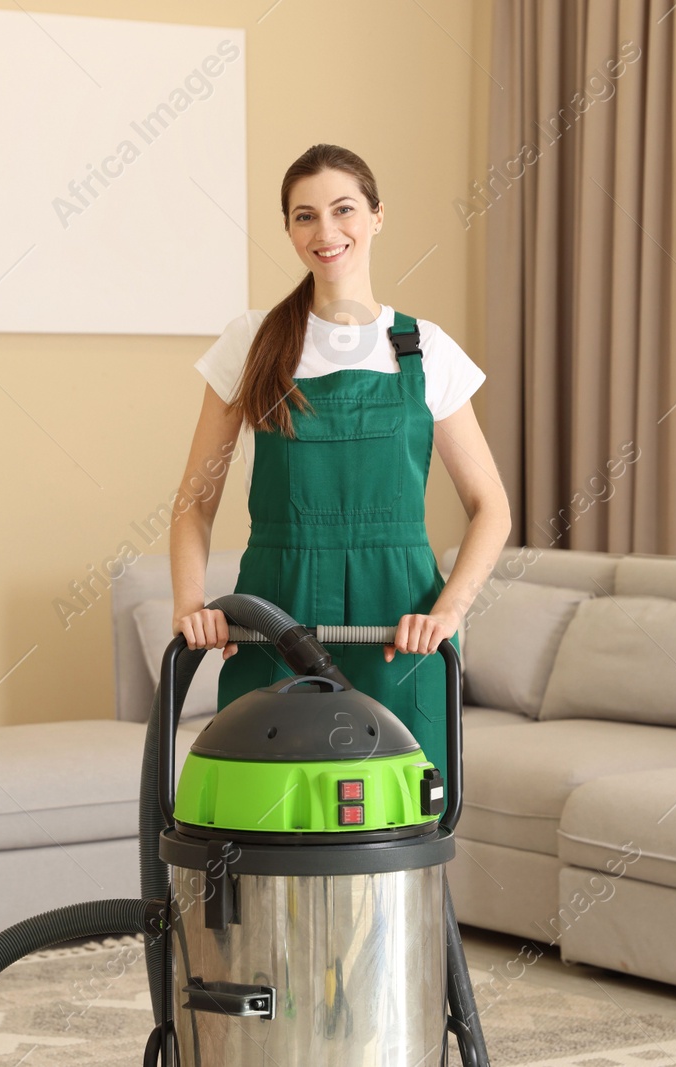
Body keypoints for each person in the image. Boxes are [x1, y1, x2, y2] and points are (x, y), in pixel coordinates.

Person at [167, 143, 512, 781]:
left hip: (399, 626)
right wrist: (193, 607)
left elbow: (491, 507)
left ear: (377, 216)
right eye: (304, 216)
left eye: (343, 209)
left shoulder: (423, 347)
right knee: (264, 814)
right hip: (277, 612)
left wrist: (448, 613)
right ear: (290, 230)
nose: (325, 232)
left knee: (403, 818)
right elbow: (195, 500)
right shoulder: (253, 340)